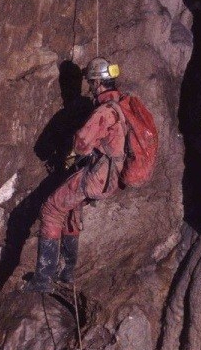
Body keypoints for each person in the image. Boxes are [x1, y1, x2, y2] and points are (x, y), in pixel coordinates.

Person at [24, 57, 127, 292]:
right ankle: (67, 271)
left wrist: (73, 149)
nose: (90, 86)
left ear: (97, 82)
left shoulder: (104, 112)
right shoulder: (119, 105)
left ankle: (43, 279)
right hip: (108, 176)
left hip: (97, 176)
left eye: (91, 82)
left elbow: (82, 143)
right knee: (70, 210)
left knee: (51, 209)